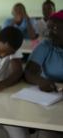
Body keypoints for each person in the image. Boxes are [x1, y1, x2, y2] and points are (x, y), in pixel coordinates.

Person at [25, 10, 63, 138]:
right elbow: (29, 71)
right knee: (47, 133)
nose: (49, 33)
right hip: (52, 98)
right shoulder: (47, 45)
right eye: (49, 28)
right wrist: (40, 81)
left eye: (55, 28)